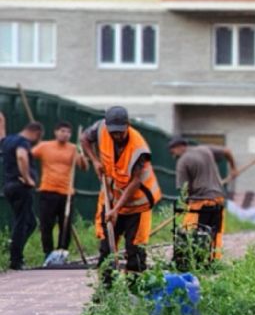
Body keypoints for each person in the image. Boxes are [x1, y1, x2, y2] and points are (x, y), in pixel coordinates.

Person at [90, 106, 162, 280]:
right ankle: (106, 291)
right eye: (113, 132)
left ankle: (135, 291)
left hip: (138, 204)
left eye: (120, 132)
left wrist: (116, 209)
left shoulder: (138, 148)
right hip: (113, 199)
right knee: (107, 248)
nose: (117, 136)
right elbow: (85, 140)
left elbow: (135, 182)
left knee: (135, 250)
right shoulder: (100, 129)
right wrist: (94, 161)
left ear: (127, 125)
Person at [168, 137, 236, 268]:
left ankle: (193, 261)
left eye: (173, 152)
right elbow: (227, 151)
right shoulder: (205, 149)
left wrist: (187, 202)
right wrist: (233, 169)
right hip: (218, 200)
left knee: (191, 232)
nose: (173, 155)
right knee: (214, 233)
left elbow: (183, 189)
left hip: (200, 203)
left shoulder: (183, 161)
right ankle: (213, 261)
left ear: (179, 147)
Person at [31, 121, 85, 260]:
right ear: (56, 132)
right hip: (48, 190)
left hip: (66, 193)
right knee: (46, 224)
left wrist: (82, 153)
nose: (65, 134)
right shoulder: (44, 146)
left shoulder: (73, 149)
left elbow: (83, 167)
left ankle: (62, 251)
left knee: (65, 223)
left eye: (68, 132)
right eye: (62, 131)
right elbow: (29, 156)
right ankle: (48, 253)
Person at [1, 120, 41, 271]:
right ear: (36, 133)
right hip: (20, 186)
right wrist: (28, 178)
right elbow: (22, 157)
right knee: (22, 222)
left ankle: (14, 248)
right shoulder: (23, 142)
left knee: (30, 222)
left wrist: (2, 120)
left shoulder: (7, 140)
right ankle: (15, 259)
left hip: (9, 186)